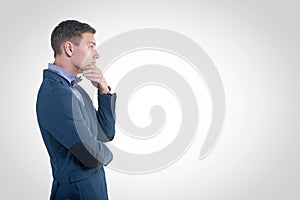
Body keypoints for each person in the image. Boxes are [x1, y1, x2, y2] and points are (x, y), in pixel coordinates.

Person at [36, 20, 116, 200]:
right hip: (77, 194)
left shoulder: (75, 89)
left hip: (92, 189)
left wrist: (104, 89)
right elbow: (92, 156)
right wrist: (110, 155)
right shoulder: (56, 94)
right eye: (91, 46)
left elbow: (106, 133)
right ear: (69, 48)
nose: (96, 54)